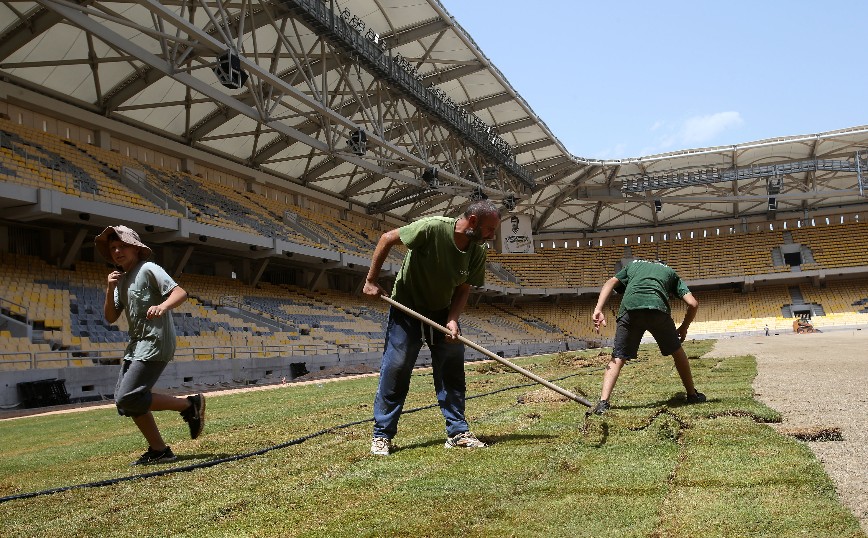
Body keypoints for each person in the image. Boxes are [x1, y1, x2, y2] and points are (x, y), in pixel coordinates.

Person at [363, 200, 502, 455]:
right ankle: (382, 435)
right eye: (490, 229)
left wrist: (452, 319)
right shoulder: (432, 228)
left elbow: (463, 288)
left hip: (442, 314)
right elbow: (387, 238)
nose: (492, 236)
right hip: (407, 309)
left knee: (452, 371)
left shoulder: (477, 251)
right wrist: (371, 280)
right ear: (473, 221)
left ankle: (458, 432)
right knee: (396, 368)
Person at [95, 225, 205, 465]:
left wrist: (163, 306)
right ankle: (159, 450)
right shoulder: (121, 281)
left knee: (128, 398)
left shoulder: (148, 269)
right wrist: (110, 288)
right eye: (113, 248)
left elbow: (180, 293)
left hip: (155, 342)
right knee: (125, 402)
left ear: (135, 248)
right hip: (136, 345)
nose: (116, 251)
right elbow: (111, 317)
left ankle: (188, 405)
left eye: (122, 246)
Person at [590, 259, 705, 414]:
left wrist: (598, 308)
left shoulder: (634, 265)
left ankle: (603, 403)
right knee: (677, 352)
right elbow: (693, 303)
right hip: (657, 309)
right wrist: (683, 328)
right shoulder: (670, 272)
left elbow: (611, 282)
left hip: (630, 310)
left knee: (618, 357)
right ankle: (692, 395)